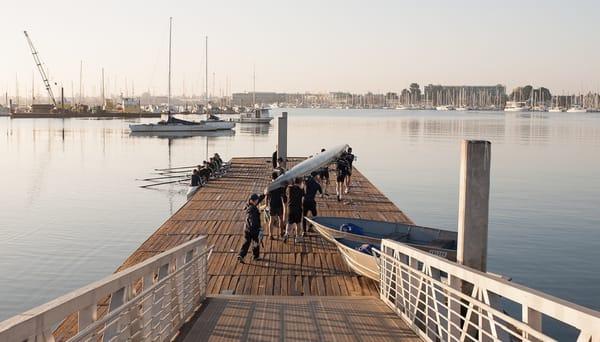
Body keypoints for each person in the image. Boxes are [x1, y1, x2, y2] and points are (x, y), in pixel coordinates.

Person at [238, 193, 265, 263]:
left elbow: (258, 200)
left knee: (246, 243)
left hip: (247, 228)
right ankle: (256, 256)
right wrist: (259, 229)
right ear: (252, 201)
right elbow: (253, 221)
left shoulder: (249, 205)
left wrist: (264, 194)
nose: (257, 201)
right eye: (256, 200)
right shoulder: (252, 210)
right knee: (255, 242)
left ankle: (241, 255)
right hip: (252, 229)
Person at [266, 171, 287, 239]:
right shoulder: (279, 185)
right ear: (277, 177)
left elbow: (266, 196)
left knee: (271, 221)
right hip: (279, 204)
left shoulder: (270, 185)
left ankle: (270, 235)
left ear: (271, 177)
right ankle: (281, 233)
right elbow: (283, 194)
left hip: (272, 205)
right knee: (280, 219)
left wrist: (266, 205)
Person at [284, 178, 305, 243]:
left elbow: (287, 183)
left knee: (289, 222)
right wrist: (303, 185)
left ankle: (286, 234)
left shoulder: (290, 188)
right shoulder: (301, 190)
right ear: (300, 182)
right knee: (298, 223)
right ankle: (297, 237)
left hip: (291, 208)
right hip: (298, 208)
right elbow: (303, 196)